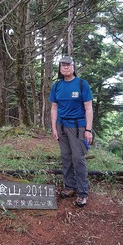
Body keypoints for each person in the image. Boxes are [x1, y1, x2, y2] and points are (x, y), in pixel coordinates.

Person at [49, 55, 93, 207]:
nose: (65, 67)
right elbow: (54, 108)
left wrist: (88, 130)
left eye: (68, 65)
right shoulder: (57, 86)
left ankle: (82, 192)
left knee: (78, 158)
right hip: (62, 126)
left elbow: (88, 108)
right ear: (60, 69)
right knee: (66, 157)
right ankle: (70, 186)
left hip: (78, 127)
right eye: (63, 65)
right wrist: (54, 127)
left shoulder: (82, 84)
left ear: (73, 67)